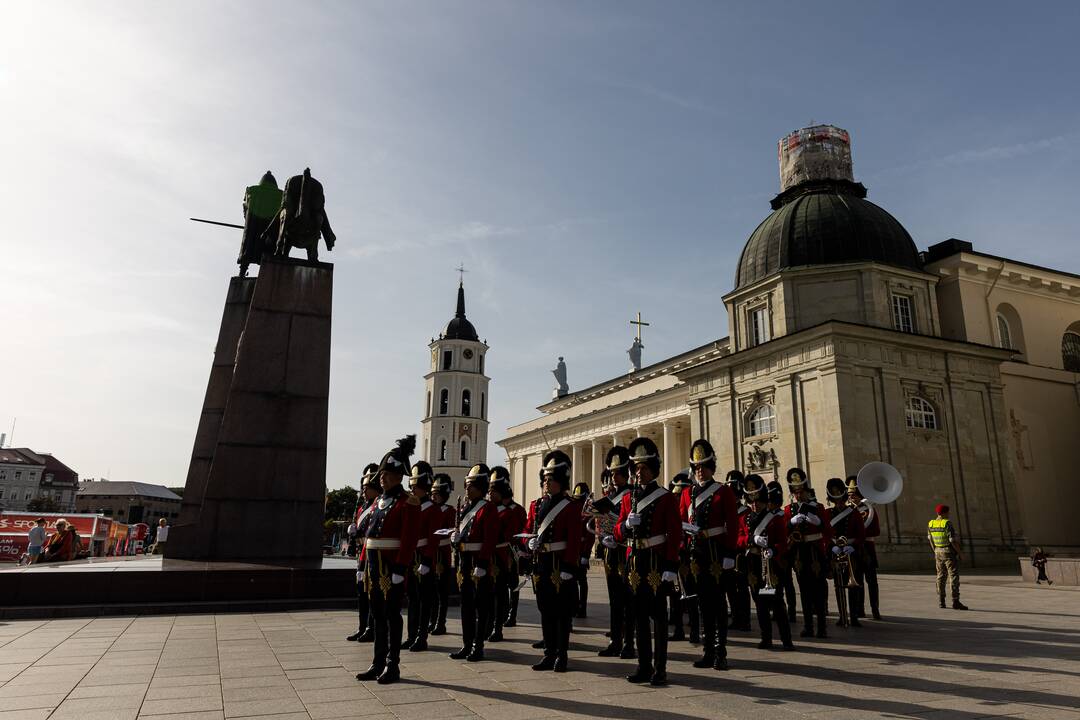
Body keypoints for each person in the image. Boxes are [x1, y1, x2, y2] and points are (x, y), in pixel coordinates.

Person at [610, 437, 681, 686]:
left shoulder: (665, 498)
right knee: (638, 617)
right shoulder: (629, 499)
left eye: (644, 469)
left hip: (656, 562)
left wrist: (671, 566)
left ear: (653, 470)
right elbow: (618, 529)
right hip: (634, 563)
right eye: (636, 469)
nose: (639, 473)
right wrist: (626, 525)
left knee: (659, 618)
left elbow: (675, 533)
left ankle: (660, 669)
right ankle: (644, 665)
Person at [355, 436, 421, 685]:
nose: (382, 477)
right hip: (374, 566)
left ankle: (393, 665)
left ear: (399, 476)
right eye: (382, 473)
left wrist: (401, 567)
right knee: (377, 615)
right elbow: (370, 537)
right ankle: (377, 662)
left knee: (392, 615)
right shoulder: (377, 503)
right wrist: (363, 565)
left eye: (388, 474)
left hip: (392, 566)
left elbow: (409, 538)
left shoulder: (408, 502)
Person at [680, 439, 739, 671]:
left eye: (703, 467)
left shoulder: (722, 492)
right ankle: (707, 651)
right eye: (696, 468)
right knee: (703, 604)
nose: (699, 471)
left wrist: (730, 552)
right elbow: (682, 521)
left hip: (716, 552)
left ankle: (720, 651)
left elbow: (732, 524)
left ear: (711, 468)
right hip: (696, 554)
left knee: (717, 604)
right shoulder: (687, 494)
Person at [527, 450, 582, 672]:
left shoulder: (570, 506)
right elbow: (528, 530)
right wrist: (527, 544)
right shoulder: (539, 505)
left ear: (560, 481)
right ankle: (549, 653)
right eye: (545, 479)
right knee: (545, 609)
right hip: (542, 563)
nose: (546, 483)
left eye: (550, 480)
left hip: (560, 565)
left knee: (561, 612)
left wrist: (570, 566)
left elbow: (574, 539)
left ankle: (562, 655)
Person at [450, 464, 499, 662]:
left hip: (479, 563)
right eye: (467, 485)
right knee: (466, 606)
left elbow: (490, 539)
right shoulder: (464, 508)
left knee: (481, 606)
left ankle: (478, 646)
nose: (467, 489)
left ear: (480, 488)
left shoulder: (488, 509)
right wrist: (455, 538)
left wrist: (483, 563)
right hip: (465, 561)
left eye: (471, 486)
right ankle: (466, 643)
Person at [739, 475, 794, 651]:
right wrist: (751, 538)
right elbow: (738, 538)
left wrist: (774, 550)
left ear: (764, 501)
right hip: (753, 565)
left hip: (770, 565)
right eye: (752, 502)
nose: (755, 505)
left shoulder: (775, 519)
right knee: (760, 602)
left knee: (776, 602)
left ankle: (786, 639)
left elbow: (783, 542)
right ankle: (766, 638)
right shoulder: (745, 518)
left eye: (758, 502)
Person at [596, 449, 636, 659]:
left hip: (626, 552)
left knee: (629, 600)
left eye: (619, 472)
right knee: (614, 599)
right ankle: (615, 640)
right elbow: (601, 524)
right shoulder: (608, 496)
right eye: (612, 472)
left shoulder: (633, 494)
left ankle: (629, 642)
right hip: (611, 554)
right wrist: (603, 537)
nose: (614, 476)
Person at [785, 468, 829, 638]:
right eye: (795, 492)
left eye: (800, 492)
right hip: (799, 553)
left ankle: (822, 626)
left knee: (818, 589)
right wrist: (790, 522)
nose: (797, 495)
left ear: (806, 490)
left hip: (814, 552)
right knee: (804, 590)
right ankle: (808, 625)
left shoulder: (818, 507)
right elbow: (784, 531)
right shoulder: (790, 510)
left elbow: (828, 530)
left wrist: (817, 521)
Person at [403, 461, 440, 653]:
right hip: (411, 556)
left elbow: (433, 537)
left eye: (415, 486)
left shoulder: (433, 508)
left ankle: (421, 637)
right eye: (411, 486)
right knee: (412, 598)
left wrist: (426, 561)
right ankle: (411, 635)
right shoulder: (411, 506)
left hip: (423, 557)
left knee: (424, 600)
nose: (412, 489)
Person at [487, 468, 524, 642]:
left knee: (511, 585)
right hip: (492, 555)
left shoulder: (515, 510)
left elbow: (515, 533)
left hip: (508, 553)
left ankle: (510, 615)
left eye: (493, 491)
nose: (489, 494)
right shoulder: (490, 509)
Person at [824, 477, 865, 627]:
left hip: (850, 552)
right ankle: (842, 615)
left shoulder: (853, 513)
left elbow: (861, 535)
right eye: (835, 499)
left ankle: (854, 616)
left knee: (853, 586)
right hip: (836, 553)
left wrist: (853, 546)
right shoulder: (828, 514)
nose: (839, 503)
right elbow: (826, 535)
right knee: (839, 585)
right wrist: (831, 546)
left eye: (840, 498)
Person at [348, 464, 381, 642]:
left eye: (367, 488)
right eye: (363, 488)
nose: (364, 491)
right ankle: (362, 627)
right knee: (361, 593)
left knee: (370, 594)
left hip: (370, 554)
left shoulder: (377, 507)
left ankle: (371, 627)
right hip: (361, 553)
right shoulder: (362, 508)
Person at [667, 470, 699, 644]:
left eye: (680, 495)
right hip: (675, 556)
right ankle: (678, 628)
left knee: (691, 595)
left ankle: (694, 630)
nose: (677, 498)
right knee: (675, 594)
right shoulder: (674, 510)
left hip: (689, 555)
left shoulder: (692, 509)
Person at [847, 476, 882, 619]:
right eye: (849, 495)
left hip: (867, 548)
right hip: (854, 549)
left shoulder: (869, 509)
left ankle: (875, 609)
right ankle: (859, 609)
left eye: (853, 495)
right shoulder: (848, 511)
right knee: (857, 580)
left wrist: (861, 532)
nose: (851, 498)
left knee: (872, 581)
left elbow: (876, 530)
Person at [724, 471, 753, 631]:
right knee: (730, 588)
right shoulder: (726, 512)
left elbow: (746, 536)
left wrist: (733, 541)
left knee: (741, 589)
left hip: (739, 556)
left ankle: (745, 619)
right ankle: (736, 616)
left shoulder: (744, 512)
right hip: (728, 554)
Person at [429, 474, 457, 635]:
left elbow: (452, 528)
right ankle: (432, 620)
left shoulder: (449, 510)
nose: (434, 497)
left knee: (442, 591)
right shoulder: (430, 509)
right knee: (431, 590)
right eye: (433, 494)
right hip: (431, 552)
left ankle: (441, 622)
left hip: (442, 552)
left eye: (437, 494)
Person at [928, 504, 967, 610]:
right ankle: (955, 601)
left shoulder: (931, 523)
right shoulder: (947, 523)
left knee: (940, 577)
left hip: (938, 552)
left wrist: (935, 550)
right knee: (953, 576)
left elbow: (930, 539)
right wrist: (960, 553)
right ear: (945, 513)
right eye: (948, 512)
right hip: (948, 552)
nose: (949, 514)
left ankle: (941, 601)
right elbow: (952, 540)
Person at [571, 482, 594, 618]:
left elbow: (590, 536)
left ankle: (582, 606)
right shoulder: (574, 509)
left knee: (582, 580)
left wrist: (586, 554)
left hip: (582, 550)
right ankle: (575, 605)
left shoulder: (589, 513)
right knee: (573, 580)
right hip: (573, 550)